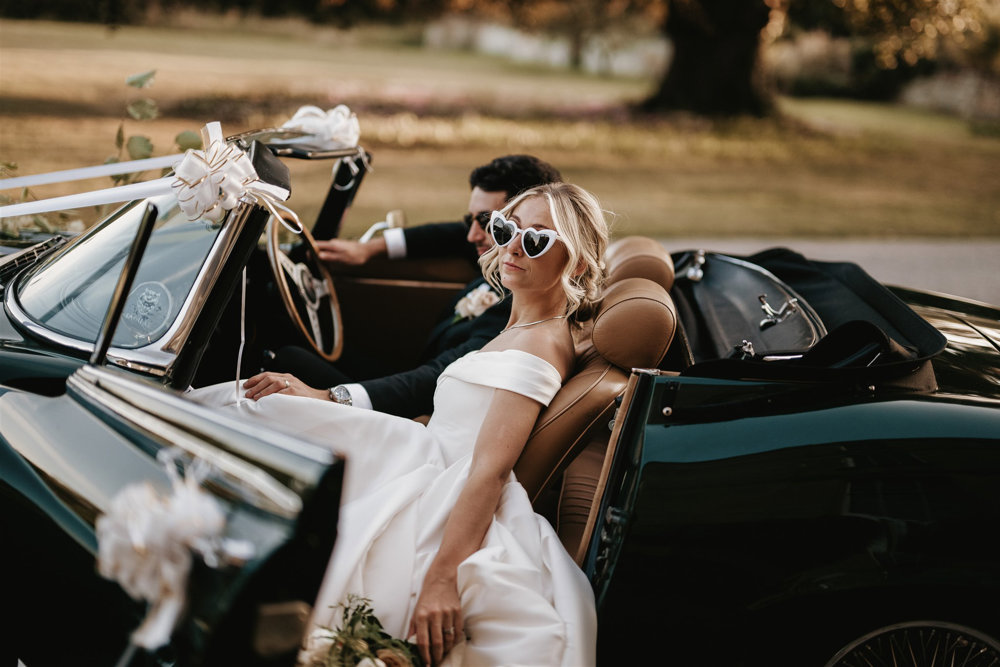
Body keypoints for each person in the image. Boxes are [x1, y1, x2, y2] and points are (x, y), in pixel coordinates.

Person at [189, 182, 608, 666]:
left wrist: (442, 577)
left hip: (440, 482)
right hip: (421, 448)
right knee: (271, 403)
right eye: (505, 228)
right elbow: (457, 416)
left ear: (575, 263)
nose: (512, 246)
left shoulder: (536, 349)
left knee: (261, 413)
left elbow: (490, 470)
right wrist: (331, 403)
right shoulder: (522, 325)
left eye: (535, 240)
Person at [259, 155, 563, 419]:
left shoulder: (521, 300)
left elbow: (436, 376)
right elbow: (453, 234)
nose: (472, 234)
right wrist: (370, 249)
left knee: (288, 358)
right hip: (418, 372)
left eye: (486, 222)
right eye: (485, 223)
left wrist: (329, 396)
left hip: (417, 408)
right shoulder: (500, 254)